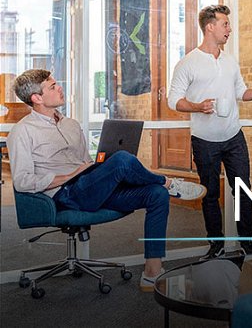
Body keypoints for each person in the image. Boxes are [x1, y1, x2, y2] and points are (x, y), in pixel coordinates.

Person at [7, 69, 206, 292]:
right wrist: (69, 176)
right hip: (66, 195)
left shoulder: (70, 124)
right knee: (122, 160)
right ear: (36, 98)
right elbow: (22, 181)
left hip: (89, 187)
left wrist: (97, 169)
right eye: (52, 86)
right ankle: (168, 183)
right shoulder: (22, 132)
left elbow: (85, 162)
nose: (59, 88)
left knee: (155, 194)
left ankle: (152, 272)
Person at [168, 4, 252, 259]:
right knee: (210, 193)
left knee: (243, 190)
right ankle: (216, 245)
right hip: (204, 140)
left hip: (233, 137)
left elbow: (241, 92)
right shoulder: (188, 63)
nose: (229, 29)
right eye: (225, 24)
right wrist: (197, 106)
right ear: (210, 26)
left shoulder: (230, 61)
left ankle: (248, 244)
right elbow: (174, 100)